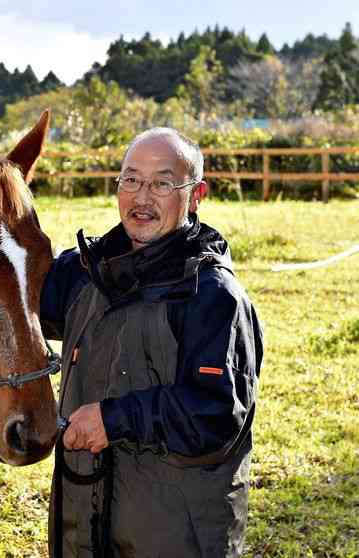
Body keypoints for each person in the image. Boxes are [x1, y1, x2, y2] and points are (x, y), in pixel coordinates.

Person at [40, 128, 264, 558]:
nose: (142, 198)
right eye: (131, 179)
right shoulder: (86, 273)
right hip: (84, 527)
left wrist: (113, 419)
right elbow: (15, 295)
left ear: (196, 195)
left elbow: (216, 414)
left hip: (173, 535)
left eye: (162, 183)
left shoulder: (212, 295)